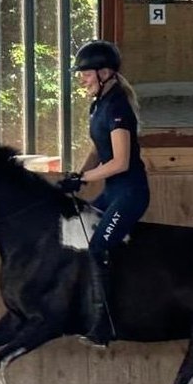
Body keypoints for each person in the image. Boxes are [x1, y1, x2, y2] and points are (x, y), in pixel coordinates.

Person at [57, 39, 151, 346]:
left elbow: (121, 162)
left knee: (97, 248)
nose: (82, 78)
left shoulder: (118, 106)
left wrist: (84, 178)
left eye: (86, 73)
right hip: (113, 192)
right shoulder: (98, 104)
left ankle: (104, 322)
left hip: (129, 194)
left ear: (105, 72)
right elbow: (100, 149)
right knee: (78, 232)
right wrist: (77, 175)